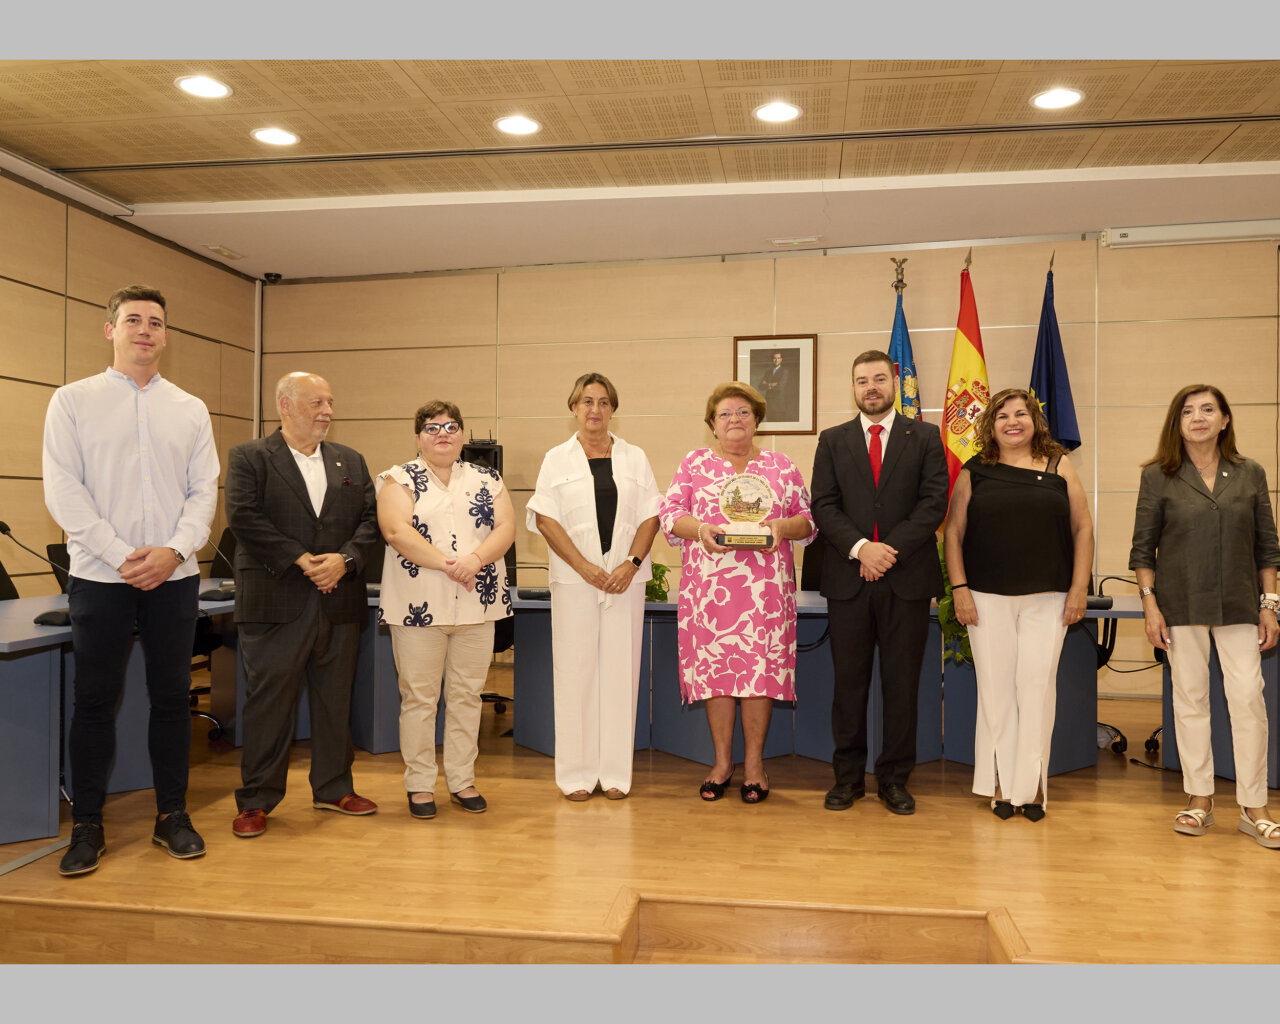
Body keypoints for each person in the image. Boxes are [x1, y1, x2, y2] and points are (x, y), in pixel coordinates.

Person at [42, 284, 219, 876]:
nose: (145, 329)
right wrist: (122, 555)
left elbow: (203, 494)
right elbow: (65, 491)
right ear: (110, 329)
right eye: (134, 320)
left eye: (156, 322)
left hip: (175, 576)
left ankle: (172, 816)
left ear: (166, 336)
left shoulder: (190, 408)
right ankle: (88, 826)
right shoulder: (71, 401)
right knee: (94, 701)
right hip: (100, 575)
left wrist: (172, 551)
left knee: (172, 699)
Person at [225, 372, 380, 838]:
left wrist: (345, 560)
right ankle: (256, 800)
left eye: (330, 402)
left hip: (339, 599)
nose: (327, 411)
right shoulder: (249, 457)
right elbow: (243, 516)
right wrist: (299, 558)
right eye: (316, 402)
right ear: (286, 405)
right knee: (269, 703)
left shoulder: (349, 460)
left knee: (336, 700)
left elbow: (372, 520)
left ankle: (334, 788)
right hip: (276, 597)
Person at [1129, 384, 1280, 849]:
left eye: (1208, 409)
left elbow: (1267, 546)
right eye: (1188, 411)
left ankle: (1255, 808)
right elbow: (1142, 548)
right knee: (1190, 701)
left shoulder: (1250, 473)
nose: (1198, 417)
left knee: (1248, 702)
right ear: (1177, 423)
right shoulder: (1159, 475)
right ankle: (1200, 800)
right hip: (1180, 605)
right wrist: (1150, 606)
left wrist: (1270, 605)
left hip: (1239, 604)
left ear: (1225, 420)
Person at [659, 381, 814, 803]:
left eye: (743, 412)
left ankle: (755, 766)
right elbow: (670, 515)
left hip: (765, 593)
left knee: (759, 676)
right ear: (712, 423)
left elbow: (808, 521)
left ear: (757, 420)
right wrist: (701, 529)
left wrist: (783, 527)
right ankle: (722, 762)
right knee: (718, 676)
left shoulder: (782, 467)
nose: (734, 420)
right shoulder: (694, 464)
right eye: (725, 413)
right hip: (710, 595)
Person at [943, 388, 1093, 821]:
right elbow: (953, 533)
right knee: (996, 691)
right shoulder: (975, 471)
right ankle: (1003, 784)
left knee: (1037, 689)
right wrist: (960, 589)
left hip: (1049, 597)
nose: (1013, 421)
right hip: (985, 598)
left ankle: (1032, 787)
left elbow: (1083, 528)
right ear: (991, 425)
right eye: (1003, 415)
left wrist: (1079, 587)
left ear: (1035, 421)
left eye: (1021, 413)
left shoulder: (1059, 464)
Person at [810, 349, 948, 815]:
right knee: (848, 686)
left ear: (894, 384)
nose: (870, 387)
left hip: (905, 579)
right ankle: (847, 780)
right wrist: (860, 550)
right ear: (852, 388)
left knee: (901, 686)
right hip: (848, 579)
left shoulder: (926, 437)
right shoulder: (832, 440)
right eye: (861, 380)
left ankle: (894, 779)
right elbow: (823, 507)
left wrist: (885, 551)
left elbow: (933, 504)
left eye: (879, 379)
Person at [377, 401, 514, 818]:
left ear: (462, 434)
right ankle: (419, 784)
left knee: (467, 697)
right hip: (418, 607)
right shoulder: (397, 478)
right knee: (419, 699)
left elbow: (506, 528)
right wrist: (450, 565)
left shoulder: (487, 477)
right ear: (418, 436)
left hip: (477, 604)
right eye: (433, 427)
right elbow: (396, 531)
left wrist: (473, 562)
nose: (443, 434)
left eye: (452, 426)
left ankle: (461, 779)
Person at [529, 373, 661, 801]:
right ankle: (577, 776)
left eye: (603, 402)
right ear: (573, 408)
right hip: (575, 580)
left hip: (626, 579)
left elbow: (651, 516)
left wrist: (631, 562)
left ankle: (616, 775)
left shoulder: (635, 458)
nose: (595, 410)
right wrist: (584, 566)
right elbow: (546, 519)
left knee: (621, 672)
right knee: (576, 672)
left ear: (613, 409)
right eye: (587, 401)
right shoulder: (556, 459)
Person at [758, 350, 794, 422]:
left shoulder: (784, 371)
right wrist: (771, 384)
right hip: (769, 404)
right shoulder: (768, 372)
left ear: (781, 359)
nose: (776, 360)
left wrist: (767, 384)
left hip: (779, 405)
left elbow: (780, 387)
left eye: (778, 358)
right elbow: (761, 386)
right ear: (772, 359)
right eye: (774, 358)